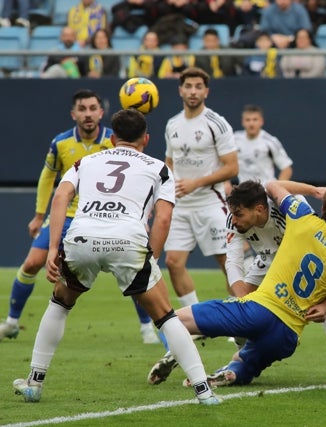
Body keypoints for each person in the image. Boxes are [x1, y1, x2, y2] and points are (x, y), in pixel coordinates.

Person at [12, 109, 220, 405]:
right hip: (128, 240)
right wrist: (153, 259)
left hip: (82, 237)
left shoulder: (86, 161)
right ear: (145, 139)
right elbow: (162, 218)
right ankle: (203, 390)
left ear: (111, 138)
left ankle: (34, 382)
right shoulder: (159, 167)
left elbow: (60, 197)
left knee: (59, 303)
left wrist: (55, 248)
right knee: (165, 316)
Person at [147, 180, 326, 386]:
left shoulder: (288, 208)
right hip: (268, 263)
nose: (234, 219)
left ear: (259, 209)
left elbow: (322, 256)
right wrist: (243, 301)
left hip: (293, 259)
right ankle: (239, 358)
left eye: (239, 214)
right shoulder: (235, 221)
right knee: (244, 306)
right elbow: (233, 263)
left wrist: (314, 191)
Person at [0, 90, 116, 342]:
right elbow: (47, 177)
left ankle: (145, 328)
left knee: (128, 271)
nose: (88, 114)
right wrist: (38, 215)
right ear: (73, 114)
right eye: (82, 109)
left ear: (101, 112)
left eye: (92, 108)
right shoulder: (61, 143)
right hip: (66, 216)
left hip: (101, 217)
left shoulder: (113, 142)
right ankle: (11, 322)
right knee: (32, 263)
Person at [164, 67, 239, 305]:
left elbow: (232, 167)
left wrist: (195, 183)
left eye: (198, 87)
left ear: (206, 91)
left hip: (210, 202)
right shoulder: (172, 124)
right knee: (173, 262)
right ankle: (195, 319)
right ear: (180, 90)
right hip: (181, 206)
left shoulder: (217, 123)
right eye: (188, 86)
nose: (193, 91)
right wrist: (170, 183)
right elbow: (169, 160)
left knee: (228, 262)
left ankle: (240, 319)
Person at [234, 105, 293, 185]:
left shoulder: (270, 142)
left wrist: (277, 187)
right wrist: (226, 183)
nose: (251, 123)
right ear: (243, 122)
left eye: (255, 120)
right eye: (248, 120)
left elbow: (287, 169)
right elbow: (223, 162)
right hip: (244, 192)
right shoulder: (234, 139)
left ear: (261, 121)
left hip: (266, 192)